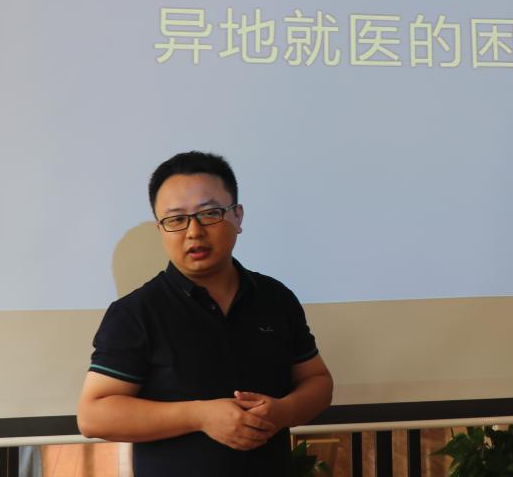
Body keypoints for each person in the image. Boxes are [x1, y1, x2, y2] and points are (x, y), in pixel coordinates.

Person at [77, 151, 333, 476]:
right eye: (176, 219)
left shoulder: (275, 297)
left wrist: (283, 411)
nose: (194, 231)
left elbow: (317, 381)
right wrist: (200, 416)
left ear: (237, 217)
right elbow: (93, 416)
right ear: (160, 229)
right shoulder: (136, 312)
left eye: (210, 213)